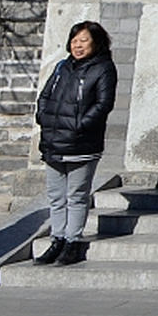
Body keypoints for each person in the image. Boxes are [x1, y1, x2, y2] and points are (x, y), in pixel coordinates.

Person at [32, 20, 117, 266]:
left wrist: (79, 126)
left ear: (96, 43)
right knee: (56, 196)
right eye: (74, 41)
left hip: (82, 144)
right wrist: (44, 118)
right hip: (53, 141)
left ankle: (72, 241)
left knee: (76, 195)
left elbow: (103, 104)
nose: (77, 46)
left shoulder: (103, 68)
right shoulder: (62, 67)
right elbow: (45, 96)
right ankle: (57, 239)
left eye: (83, 41)